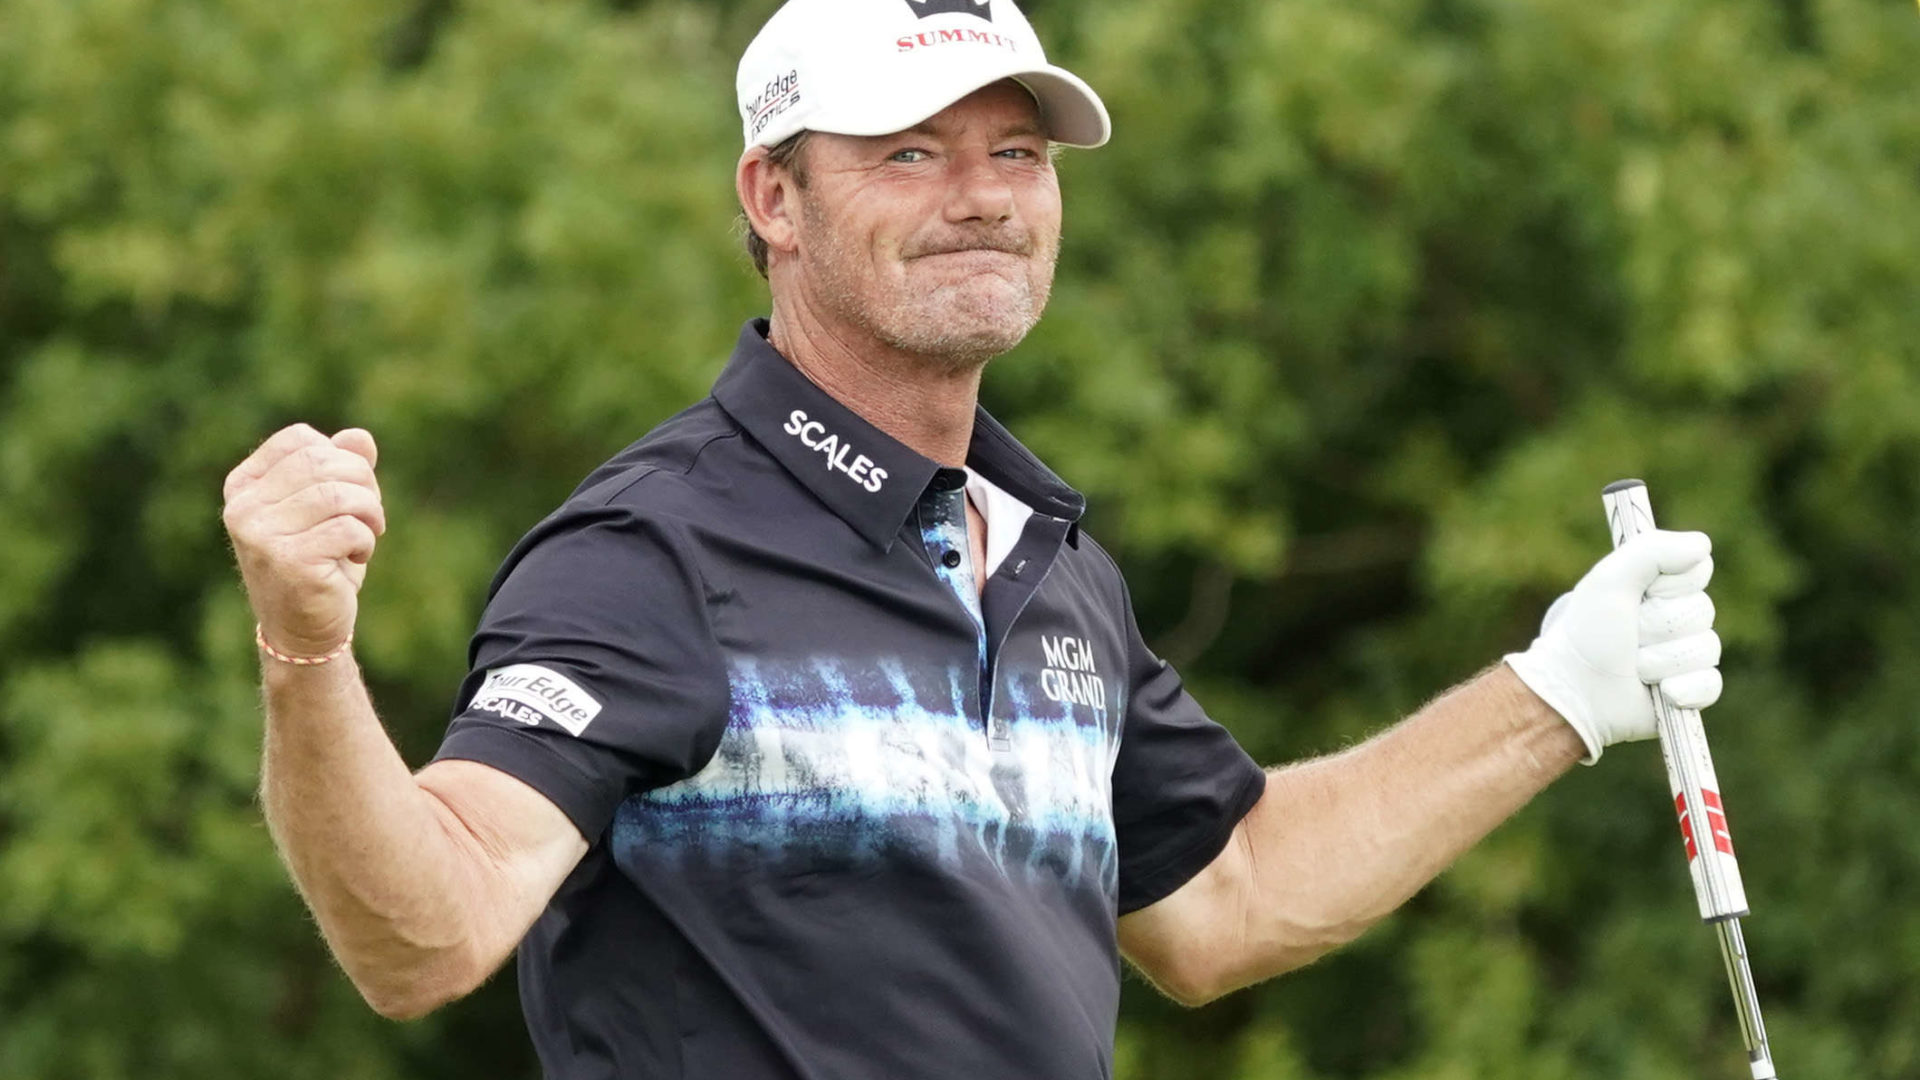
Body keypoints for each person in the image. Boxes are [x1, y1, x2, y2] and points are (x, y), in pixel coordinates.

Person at [218, 0, 1725, 1076]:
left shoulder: (1051, 567)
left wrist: (1555, 693)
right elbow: (427, 934)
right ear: (776, 197)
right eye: (912, 154)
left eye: (1018, 155)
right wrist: (307, 649)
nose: (985, 200)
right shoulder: (650, 552)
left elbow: (1230, 897)